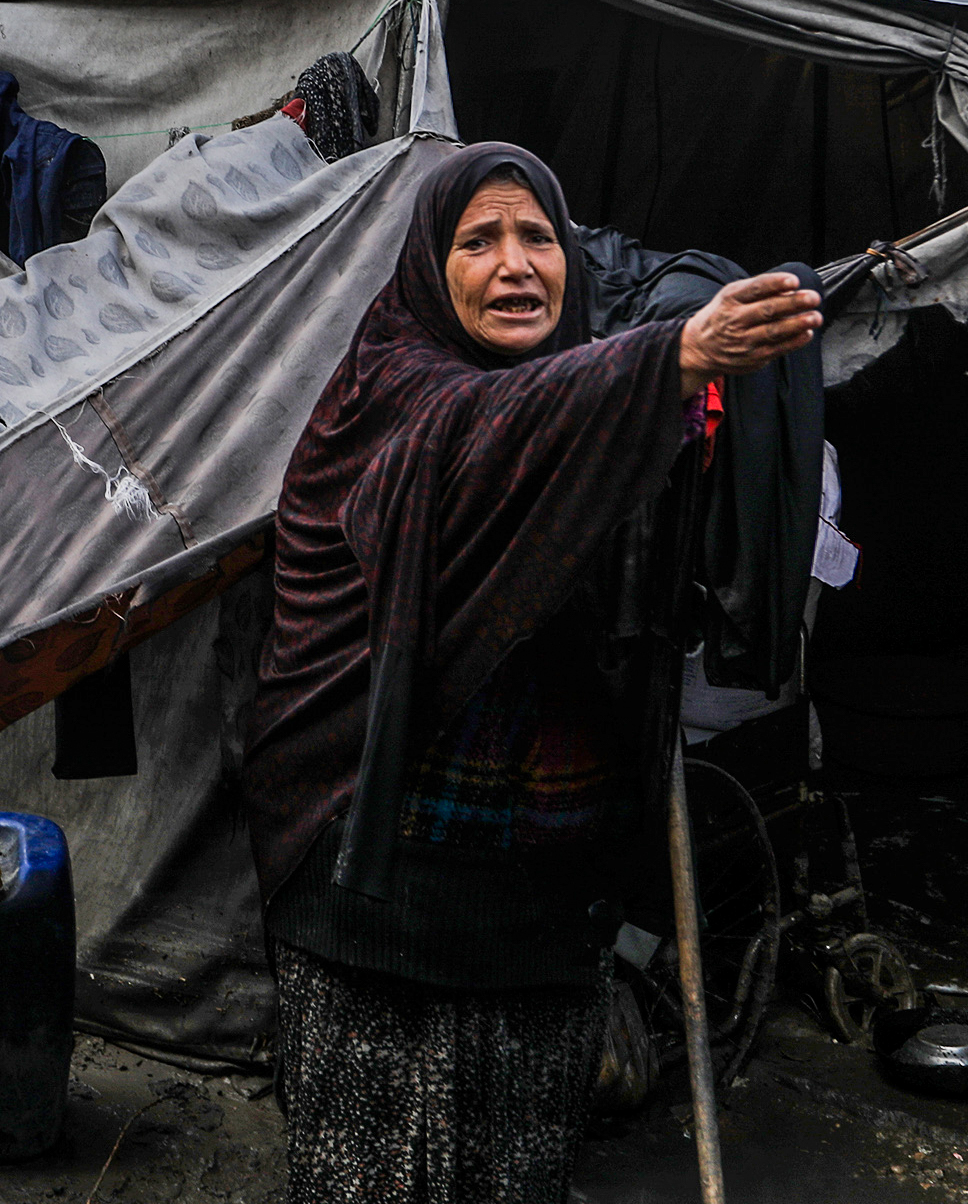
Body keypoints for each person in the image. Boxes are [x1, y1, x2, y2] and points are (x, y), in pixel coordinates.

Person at [242, 143, 822, 1203]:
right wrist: (664, 361)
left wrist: (673, 415)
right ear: (431, 262)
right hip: (377, 886)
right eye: (480, 240)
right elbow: (469, 437)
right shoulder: (395, 384)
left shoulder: (600, 399)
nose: (515, 264)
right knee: (369, 1173)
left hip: (548, 890)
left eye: (537, 238)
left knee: (516, 1166)